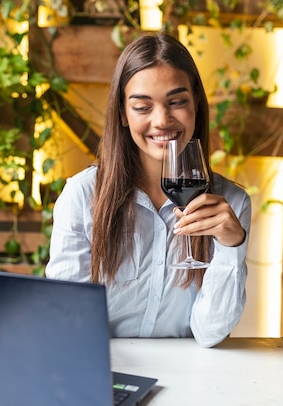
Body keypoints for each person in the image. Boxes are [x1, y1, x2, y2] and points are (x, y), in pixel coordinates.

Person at [45, 32, 251, 348]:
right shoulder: (81, 197)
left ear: (196, 103)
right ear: (122, 115)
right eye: (142, 106)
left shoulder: (230, 205)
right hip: (107, 371)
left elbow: (209, 333)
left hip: (194, 379)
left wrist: (231, 247)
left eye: (177, 102)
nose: (162, 120)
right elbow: (67, 322)